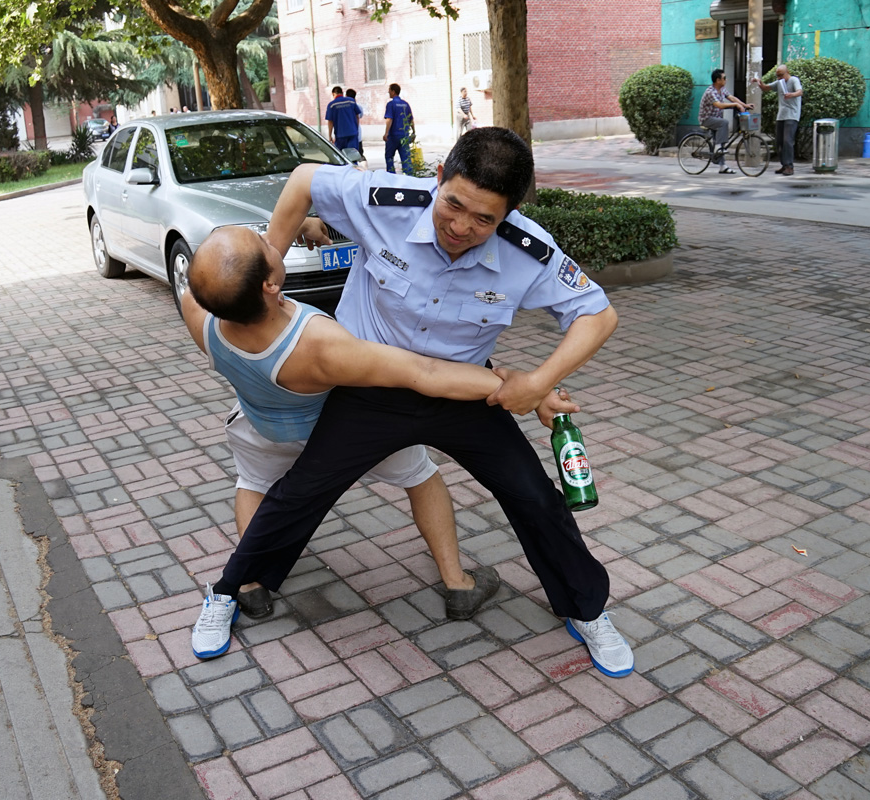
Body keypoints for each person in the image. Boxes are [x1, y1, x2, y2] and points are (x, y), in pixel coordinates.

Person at [201, 127, 635, 679]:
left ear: (510, 213)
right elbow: (305, 180)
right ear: (438, 178)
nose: (460, 227)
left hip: (461, 392)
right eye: (453, 204)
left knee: (534, 496)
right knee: (301, 492)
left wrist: (538, 382)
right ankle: (225, 592)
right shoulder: (386, 202)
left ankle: (587, 609)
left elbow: (598, 314)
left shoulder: (528, 251)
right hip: (370, 390)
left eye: (484, 219)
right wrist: (272, 268)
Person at [184, 225, 574, 657]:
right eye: (263, 242)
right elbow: (425, 373)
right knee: (420, 475)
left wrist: (304, 227)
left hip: (261, 426)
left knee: (255, 485)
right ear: (270, 285)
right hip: (340, 431)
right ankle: (457, 582)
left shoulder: (198, 312)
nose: (270, 236)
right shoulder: (320, 344)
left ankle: (248, 586)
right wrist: (524, 386)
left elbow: (232, 286)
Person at [698, 69, 752, 175]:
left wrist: (744, 105)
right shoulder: (710, 92)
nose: (726, 80)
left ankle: (722, 166)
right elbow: (719, 105)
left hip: (716, 118)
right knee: (724, 123)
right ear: (718, 80)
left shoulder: (722, 89)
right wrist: (735, 105)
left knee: (721, 141)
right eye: (724, 78)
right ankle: (718, 148)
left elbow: (732, 98)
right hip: (706, 119)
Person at [756, 65, 804, 176]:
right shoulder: (779, 82)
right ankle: (784, 165)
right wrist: (759, 82)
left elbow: (800, 92)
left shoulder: (794, 80)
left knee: (787, 141)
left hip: (792, 115)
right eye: (777, 75)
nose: (779, 78)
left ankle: (789, 166)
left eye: (781, 75)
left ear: (787, 72)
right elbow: (766, 88)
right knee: (779, 142)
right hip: (781, 116)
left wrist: (791, 94)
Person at [383, 83, 415, 176]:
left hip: (393, 136)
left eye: (389, 90)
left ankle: (391, 177)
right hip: (404, 135)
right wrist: (413, 132)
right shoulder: (405, 104)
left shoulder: (390, 104)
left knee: (389, 157)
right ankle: (409, 177)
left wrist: (386, 133)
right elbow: (411, 119)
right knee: (406, 159)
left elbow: (389, 119)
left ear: (393, 91)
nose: (388, 92)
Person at [325, 86, 361, 152]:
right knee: (353, 154)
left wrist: (330, 136)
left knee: (341, 155)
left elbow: (330, 122)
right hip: (353, 133)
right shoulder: (351, 101)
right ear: (342, 92)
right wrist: (356, 129)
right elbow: (357, 116)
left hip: (340, 135)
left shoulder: (332, 105)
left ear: (333, 94)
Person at [345, 88, 365, 158]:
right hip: (357, 133)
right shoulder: (359, 107)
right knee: (358, 155)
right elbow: (360, 116)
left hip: (347, 134)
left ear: (346, 96)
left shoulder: (345, 107)